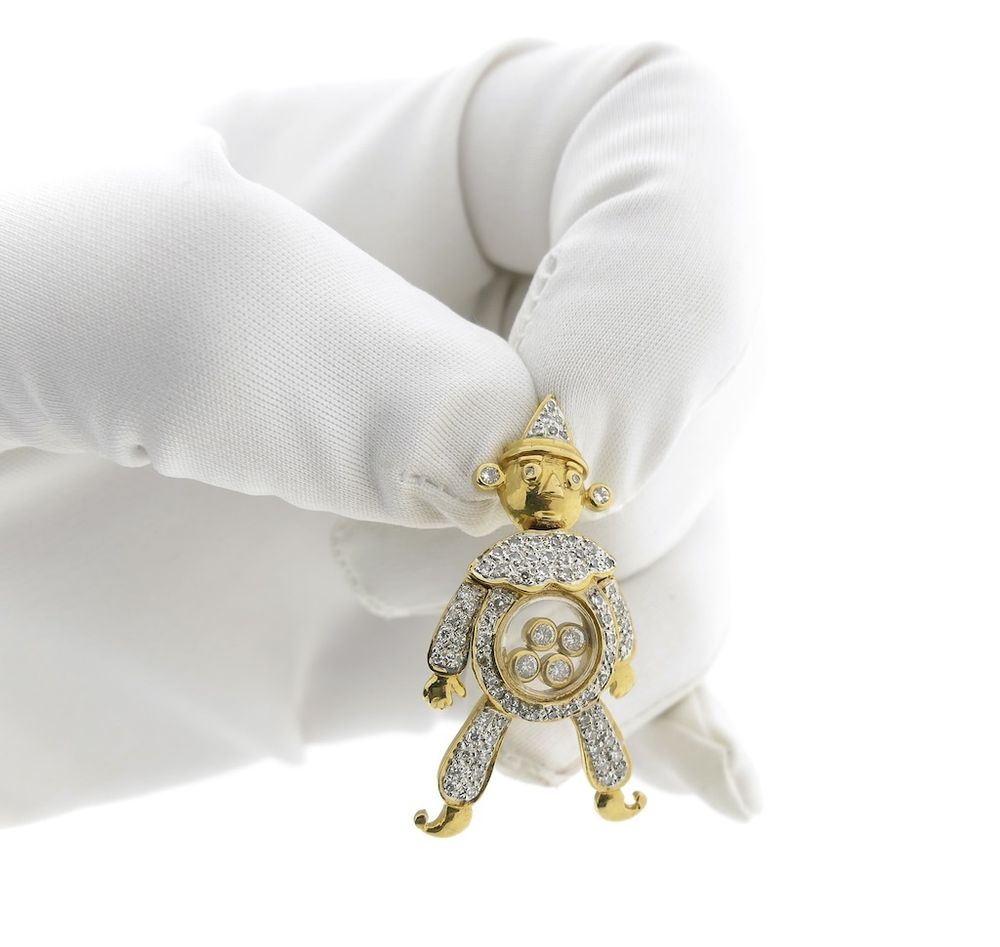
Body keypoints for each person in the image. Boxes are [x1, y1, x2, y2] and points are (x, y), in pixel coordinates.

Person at [0, 39, 761, 827]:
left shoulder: (567, 552)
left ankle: (601, 787)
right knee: (498, 723)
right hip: (521, 645)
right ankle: (474, 801)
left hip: (547, 646)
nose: (544, 490)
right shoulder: (520, 541)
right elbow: (471, 608)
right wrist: (449, 669)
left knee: (576, 716)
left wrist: (612, 663)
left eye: (556, 480)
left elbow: (587, 604)